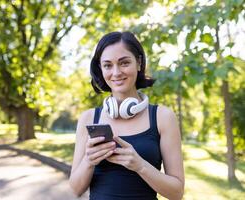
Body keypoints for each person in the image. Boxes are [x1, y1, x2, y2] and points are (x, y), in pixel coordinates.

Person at [69, 31, 184, 200]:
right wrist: (89, 161)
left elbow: (177, 193)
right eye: (108, 65)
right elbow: (75, 190)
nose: (116, 73)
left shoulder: (163, 117)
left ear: (138, 62)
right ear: (100, 69)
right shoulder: (88, 118)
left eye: (124, 63)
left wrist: (140, 166)